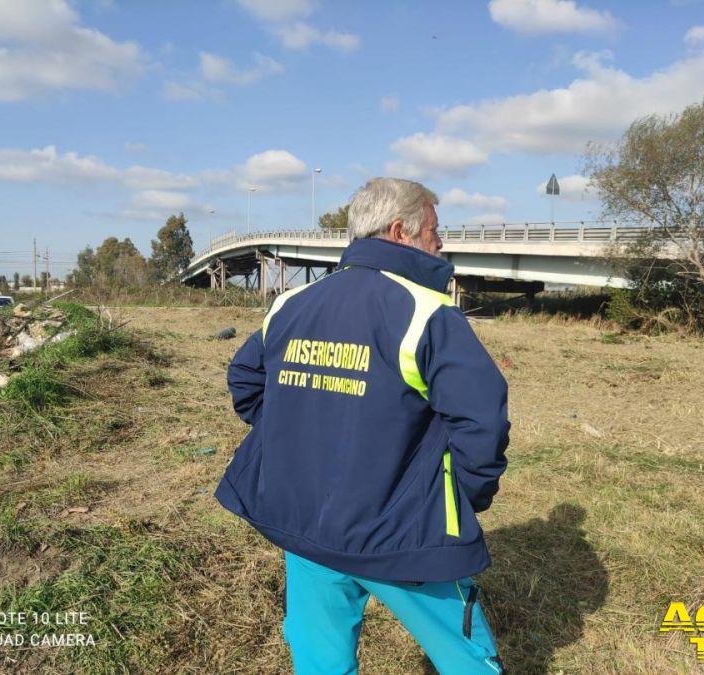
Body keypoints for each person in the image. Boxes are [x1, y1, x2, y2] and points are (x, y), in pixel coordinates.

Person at [216, 177, 510, 673]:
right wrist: (460, 501)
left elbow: (246, 381)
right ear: (400, 231)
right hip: (406, 535)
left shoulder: (293, 303)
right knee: (468, 661)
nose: (441, 243)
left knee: (320, 662)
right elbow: (481, 425)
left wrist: (301, 438)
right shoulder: (427, 313)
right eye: (435, 231)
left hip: (305, 525)